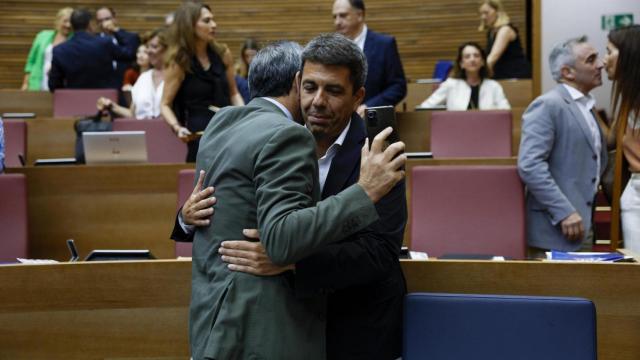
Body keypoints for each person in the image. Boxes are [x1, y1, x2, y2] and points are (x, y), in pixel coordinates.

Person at [179, 34, 407, 359]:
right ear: (297, 82)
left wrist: (293, 263)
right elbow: (229, 206)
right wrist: (184, 217)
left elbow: (380, 252)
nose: (317, 101)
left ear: (358, 96)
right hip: (282, 325)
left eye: (334, 91)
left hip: (356, 324)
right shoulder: (278, 136)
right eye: (311, 87)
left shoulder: (379, 155)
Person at [518, 36, 606, 257]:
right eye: (591, 60)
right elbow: (530, 165)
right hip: (556, 227)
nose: (601, 64)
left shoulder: (587, 106)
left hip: (583, 223)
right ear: (568, 72)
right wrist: (564, 212)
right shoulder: (548, 105)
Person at [161, 2, 244, 162]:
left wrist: (245, 115)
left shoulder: (223, 53)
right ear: (190, 26)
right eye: (207, 21)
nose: (214, 25)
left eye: (213, 20)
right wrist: (177, 128)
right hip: (200, 137)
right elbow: (164, 104)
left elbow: (234, 94)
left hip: (228, 131)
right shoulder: (179, 61)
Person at [332, 0, 407, 117]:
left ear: (360, 15)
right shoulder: (333, 48)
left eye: (343, 15)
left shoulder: (384, 44)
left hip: (374, 122)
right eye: (334, 17)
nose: (337, 22)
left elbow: (398, 87)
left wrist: (370, 107)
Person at [603, 25, 640, 252]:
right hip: (633, 194)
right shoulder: (627, 102)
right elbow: (610, 141)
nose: (603, 60)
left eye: (609, 51)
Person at [48, 8, 136, 91]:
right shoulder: (104, 43)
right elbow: (129, 54)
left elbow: (54, 85)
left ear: (72, 25)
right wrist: (116, 30)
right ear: (90, 24)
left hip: (74, 101)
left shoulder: (59, 50)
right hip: (104, 101)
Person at [97, 28, 167, 119]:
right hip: (143, 130)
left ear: (168, 50)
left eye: (154, 47)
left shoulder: (176, 76)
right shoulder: (143, 78)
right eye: (148, 47)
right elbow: (132, 113)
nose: (149, 51)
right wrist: (111, 106)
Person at [420, 41, 510, 110]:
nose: (472, 59)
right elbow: (425, 107)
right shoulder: (450, 85)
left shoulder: (493, 86)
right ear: (461, 64)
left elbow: (506, 112)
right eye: (467, 56)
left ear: (482, 62)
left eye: (476, 56)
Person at [21, 7, 73, 91]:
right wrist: (25, 83)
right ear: (58, 21)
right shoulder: (42, 36)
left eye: (71, 22)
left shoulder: (75, 40)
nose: (68, 25)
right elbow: (31, 62)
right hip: (38, 83)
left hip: (62, 85)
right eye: (65, 21)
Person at [478, 0, 531, 79]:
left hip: (516, 77)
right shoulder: (491, 32)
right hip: (503, 76)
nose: (483, 17)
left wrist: (477, 74)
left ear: (498, 12)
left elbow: (492, 58)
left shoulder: (505, 30)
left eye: (486, 13)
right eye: (481, 14)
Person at [95, 6, 141, 90]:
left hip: (126, 85)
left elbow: (131, 53)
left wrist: (115, 30)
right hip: (103, 87)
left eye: (107, 19)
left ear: (115, 18)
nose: (104, 23)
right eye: (100, 21)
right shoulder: (94, 40)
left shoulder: (131, 37)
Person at [234, 38, 260, 103]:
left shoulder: (264, 71)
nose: (250, 59)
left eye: (253, 55)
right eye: (247, 56)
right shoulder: (238, 72)